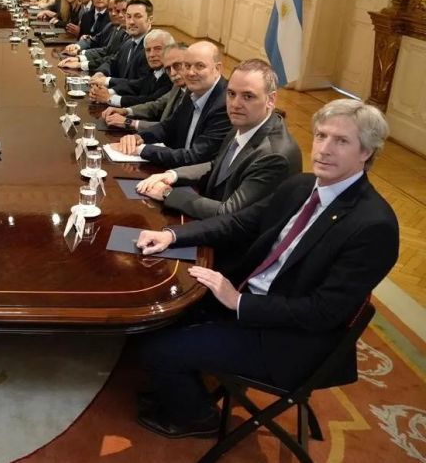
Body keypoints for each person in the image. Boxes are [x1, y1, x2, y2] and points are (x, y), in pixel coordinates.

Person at [133, 99, 398, 439]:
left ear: (367, 152)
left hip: (289, 339)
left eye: (341, 141)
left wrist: (239, 303)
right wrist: (172, 235)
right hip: (253, 297)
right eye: (321, 136)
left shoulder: (373, 225)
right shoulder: (302, 185)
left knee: (157, 349)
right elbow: (239, 223)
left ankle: (197, 418)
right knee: (153, 317)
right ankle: (179, 382)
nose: (324, 149)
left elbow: (323, 312)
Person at [135, 58, 302, 221]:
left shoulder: (274, 155)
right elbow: (217, 166)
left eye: (248, 96)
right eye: (231, 93)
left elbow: (229, 212)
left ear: (271, 100)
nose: (235, 104)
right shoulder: (243, 123)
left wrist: (167, 193)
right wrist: (173, 175)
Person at [109, 41, 231, 168]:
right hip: (177, 170)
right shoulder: (193, 90)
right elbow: (168, 127)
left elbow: (196, 157)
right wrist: (138, 137)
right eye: (187, 66)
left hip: (197, 182)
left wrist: (141, 150)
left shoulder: (225, 104)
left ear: (217, 69)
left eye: (199, 66)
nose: (190, 73)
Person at [102, 43, 188, 133]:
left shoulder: (195, 93)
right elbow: (156, 105)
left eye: (177, 66)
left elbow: (173, 128)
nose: (173, 73)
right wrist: (125, 111)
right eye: (168, 69)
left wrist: (129, 122)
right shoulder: (177, 86)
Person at [89, 29, 175, 108]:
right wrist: (106, 92)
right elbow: (135, 86)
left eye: (158, 49)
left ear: (171, 50)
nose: (151, 55)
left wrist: (110, 98)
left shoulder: (172, 76)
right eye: (148, 50)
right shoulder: (155, 70)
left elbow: (149, 101)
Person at [58, 0, 130, 72]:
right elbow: (98, 44)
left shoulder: (126, 32)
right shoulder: (112, 26)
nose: (114, 13)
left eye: (123, 11)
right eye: (110, 10)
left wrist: (80, 62)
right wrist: (78, 50)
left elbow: (111, 57)